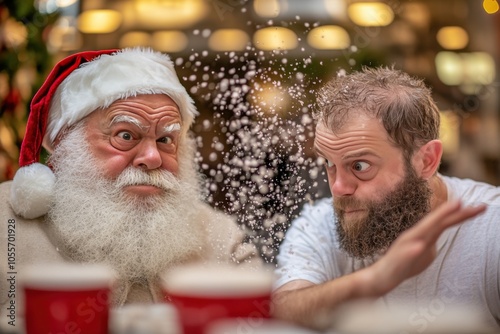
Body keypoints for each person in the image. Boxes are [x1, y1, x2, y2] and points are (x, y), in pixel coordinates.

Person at [0, 48, 257, 330]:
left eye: (165, 139)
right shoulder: (5, 226)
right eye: (125, 135)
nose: (153, 158)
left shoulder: (220, 236)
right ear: (65, 143)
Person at [272, 67, 499, 330]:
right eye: (328, 162)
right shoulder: (319, 224)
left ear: (426, 161)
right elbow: (281, 310)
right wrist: (372, 281)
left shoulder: (492, 228)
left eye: (360, 166)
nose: (338, 188)